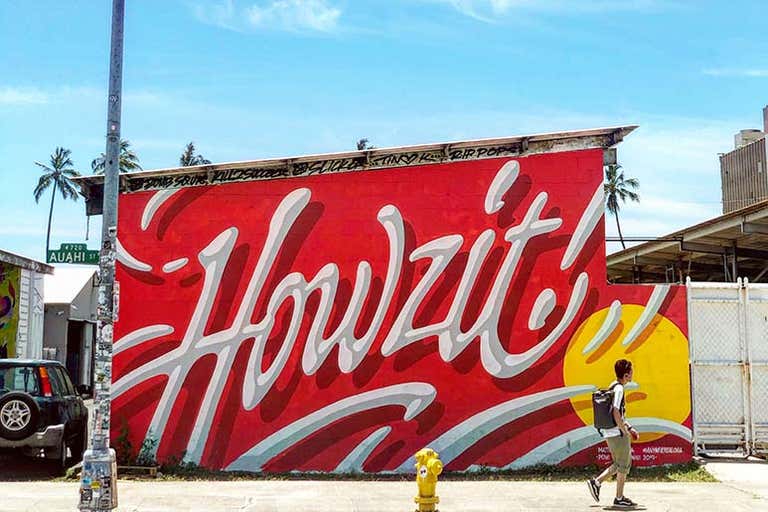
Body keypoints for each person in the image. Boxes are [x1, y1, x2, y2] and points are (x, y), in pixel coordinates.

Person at [587, 359, 640, 508]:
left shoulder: (613, 386)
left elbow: (617, 413)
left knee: (619, 463)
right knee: (624, 465)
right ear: (626, 374)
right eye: (631, 371)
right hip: (617, 432)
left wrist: (629, 427)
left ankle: (596, 482)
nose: (632, 373)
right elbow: (616, 412)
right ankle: (619, 498)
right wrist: (624, 431)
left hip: (609, 431)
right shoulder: (620, 389)